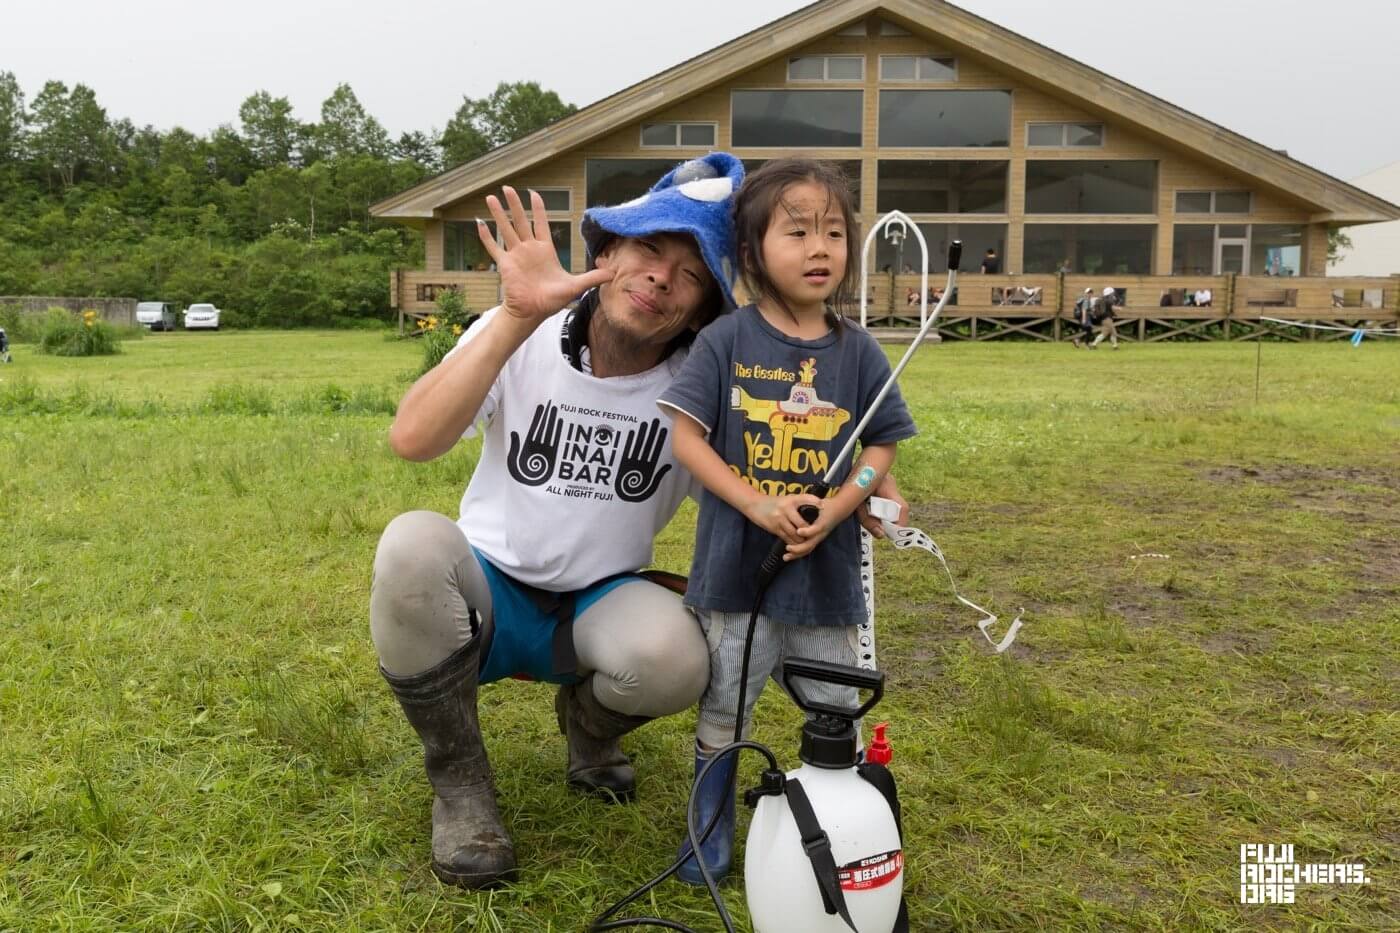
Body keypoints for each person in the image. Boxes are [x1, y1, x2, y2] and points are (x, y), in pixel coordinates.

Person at [371, 154, 907, 889]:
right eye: (650, 250)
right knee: (410, 547)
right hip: (487, 591)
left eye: (690, 275)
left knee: (679, 657)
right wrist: (515, 317)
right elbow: (414, 438)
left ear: (702, 308)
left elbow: (798, 444)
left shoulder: (702, 382)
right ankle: (460, 784)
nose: (662, 278)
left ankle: (588, 730)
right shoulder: (524, 328)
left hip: (597, 602)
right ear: (608, 253)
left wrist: (872, 484)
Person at [657, 159, 917, 884]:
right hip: (738, 576)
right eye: (797, 231)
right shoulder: (726, 342)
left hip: (827, 582)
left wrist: (843, 504)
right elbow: (686, 438)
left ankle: (836, 837)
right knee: (725, 709)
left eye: (834, 232)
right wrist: (755, 502)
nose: (820, 248)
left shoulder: (859, 349)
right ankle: (707, 836)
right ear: (751, 252)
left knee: (836, 710)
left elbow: (881, 443)